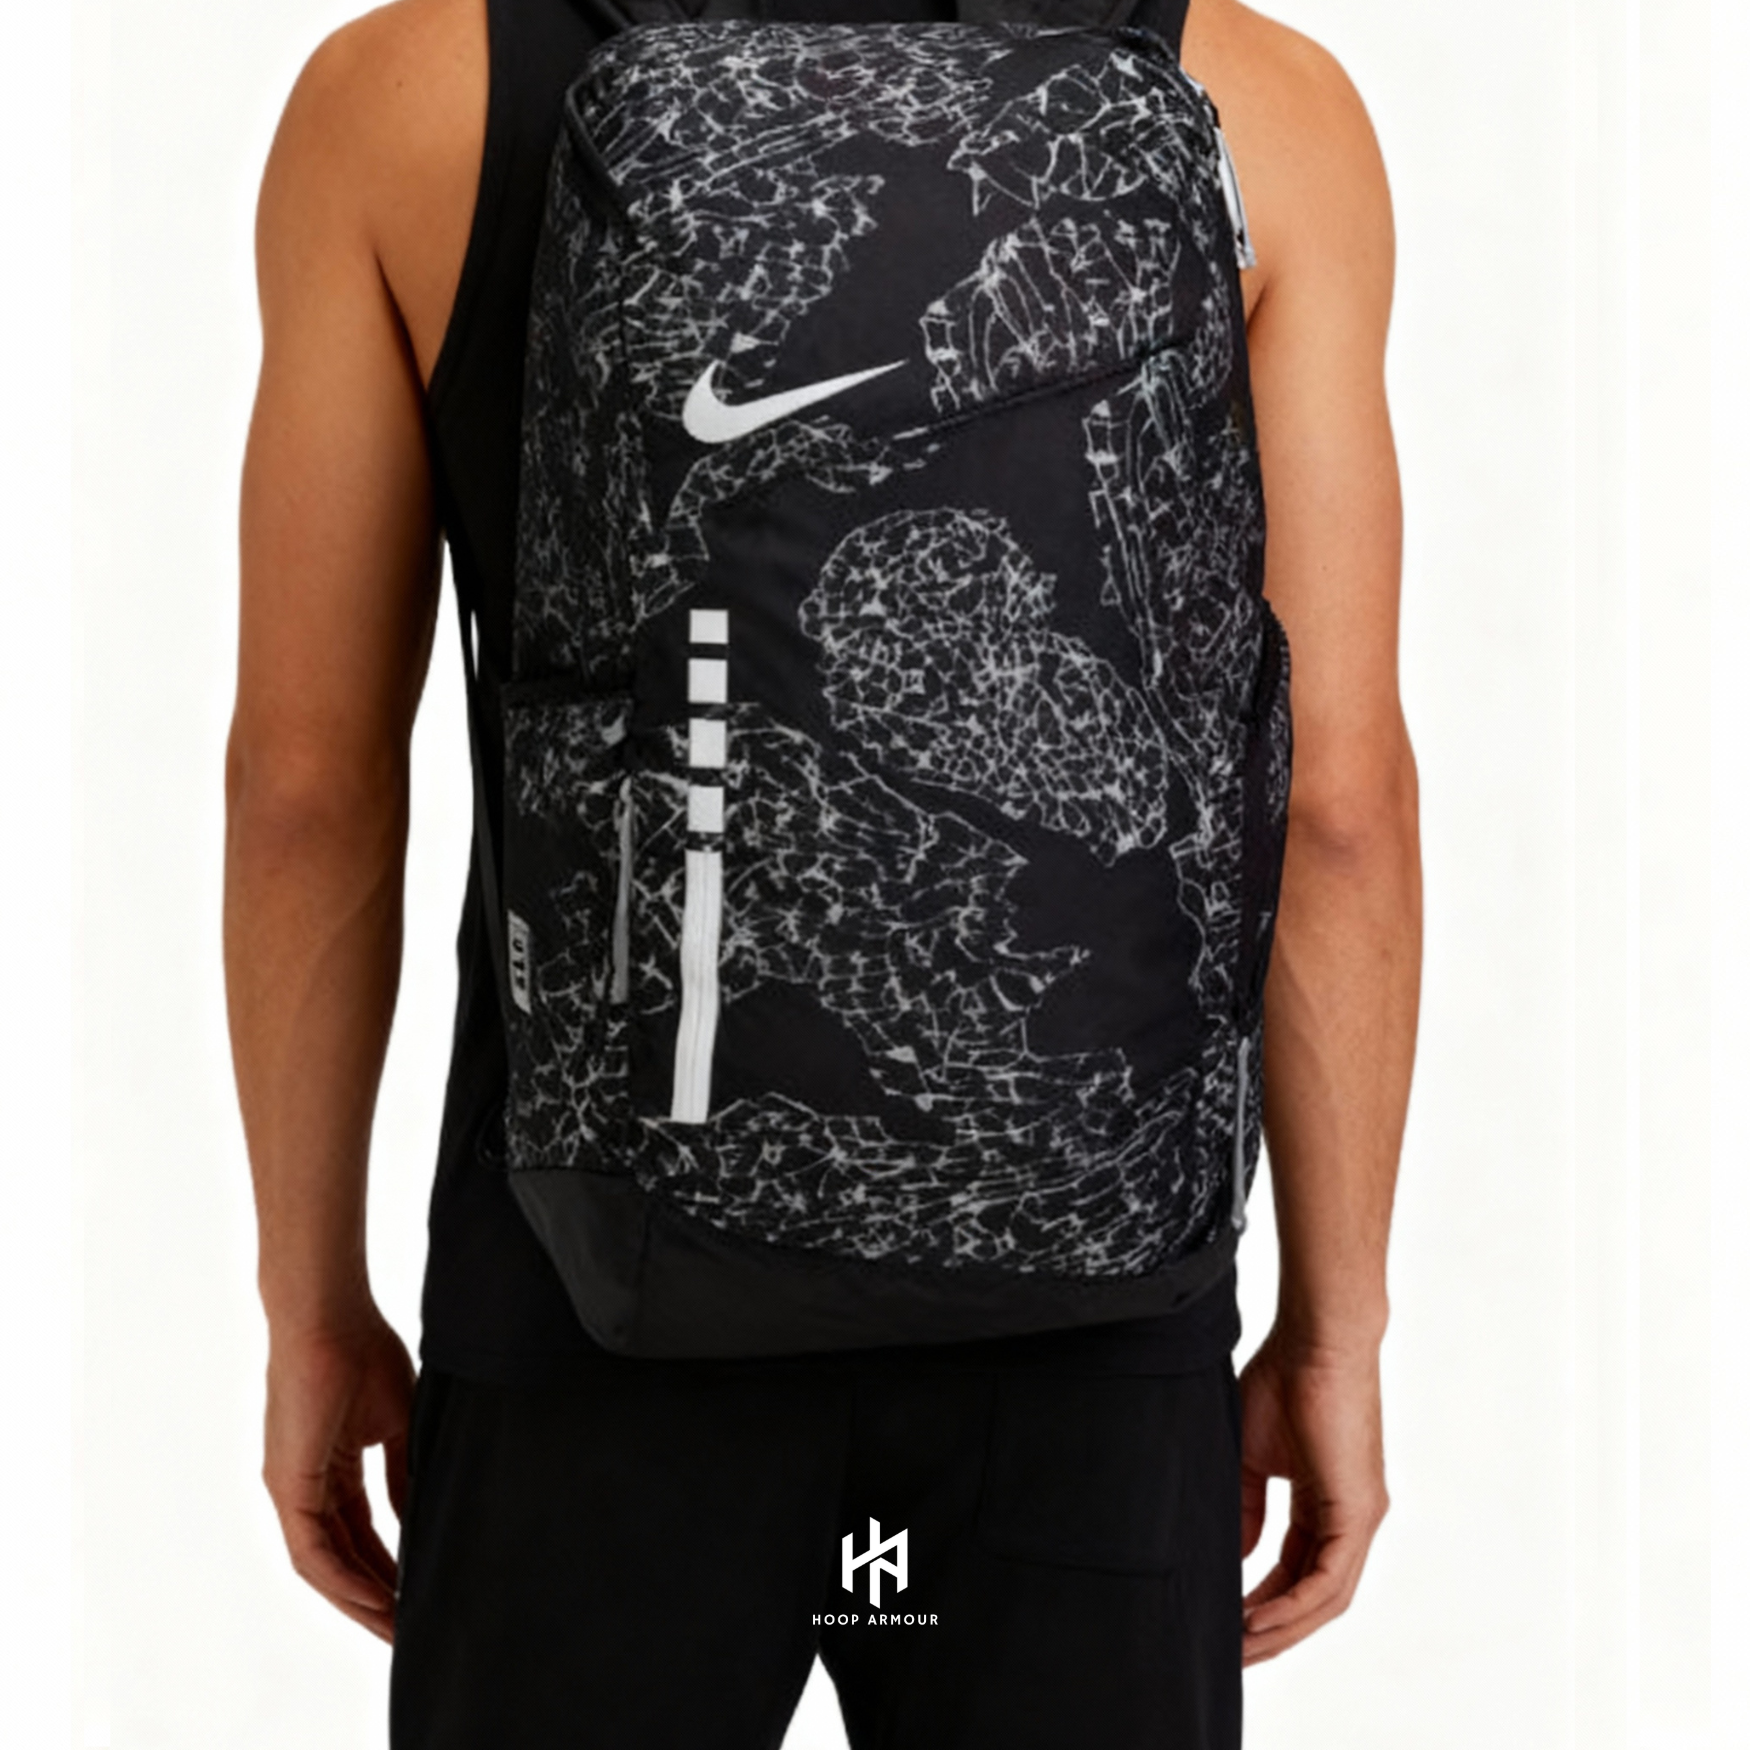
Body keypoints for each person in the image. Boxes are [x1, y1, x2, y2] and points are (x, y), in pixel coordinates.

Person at [224, 0, 1419, 1743]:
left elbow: (306, 787)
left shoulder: (408, 97)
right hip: (1086, 1319)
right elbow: (1337, 803)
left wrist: (309, 1307)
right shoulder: (1255, 101)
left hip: (588, 1302)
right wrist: (1334, 1331)